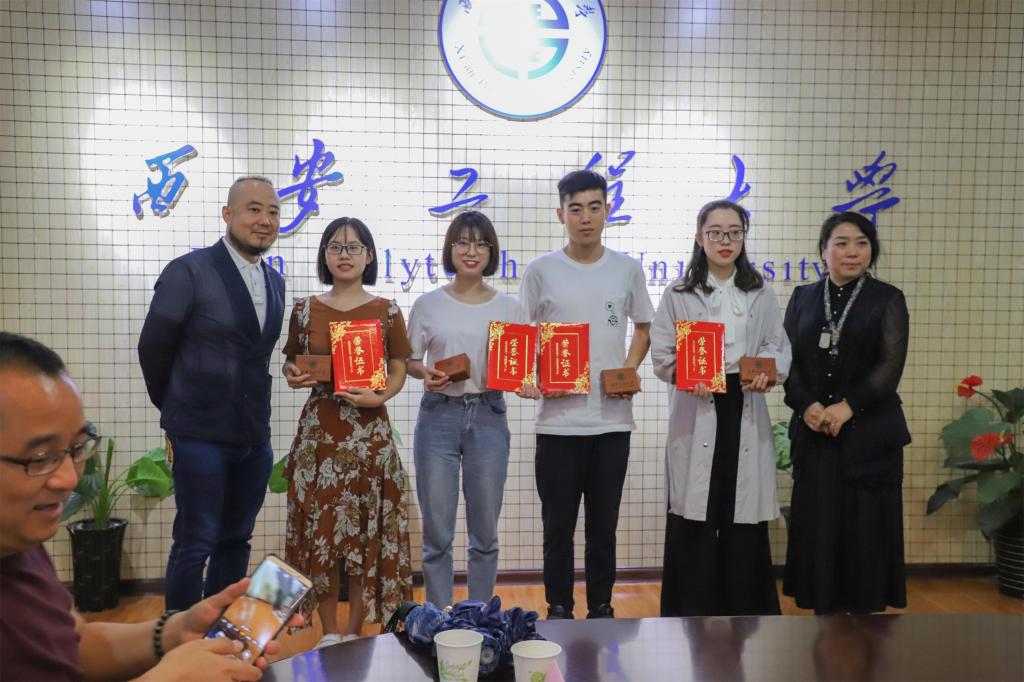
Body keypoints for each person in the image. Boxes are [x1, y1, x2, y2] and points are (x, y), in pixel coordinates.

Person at [0, 332, 300, 682]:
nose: (68, 479)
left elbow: (73, 643)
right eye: (40, 457)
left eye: (78, 447)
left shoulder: (19, 546)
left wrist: (177, 631)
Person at [138, 176, 286, 611]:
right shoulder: (189, 271)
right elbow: (152, 347)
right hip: (199, 434)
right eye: (254, 209)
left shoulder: (275, 282)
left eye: (273, 212)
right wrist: (176, 406)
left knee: (236, 538)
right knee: (195, 540)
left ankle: (220, 629)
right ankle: (180, 638)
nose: (264, 220)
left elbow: (256, 356)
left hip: (254, 435)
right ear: (228, 214)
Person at [519, 170, 654, 620]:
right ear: (561, 214)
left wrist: (628, 370)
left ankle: (601, 607)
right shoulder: (540, 271)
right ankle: (558, 607)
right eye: (575, 209)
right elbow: (520, 334)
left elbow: (644, 327)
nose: (585, 217)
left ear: (607, 211)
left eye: (594, 207)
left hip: (611, 422)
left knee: (604, 528)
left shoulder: (626, 269)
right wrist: (526, 377)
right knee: (557, 528)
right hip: (556, 424)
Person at [650, 199, 791, 617]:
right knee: (694, 515)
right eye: (715, 232)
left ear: (744, 237)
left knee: (741, 514)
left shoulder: (759, 291)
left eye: (734, 232)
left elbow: (777, 346)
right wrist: (683, 373)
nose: (725, 241)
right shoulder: (679, 292)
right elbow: (662, 354)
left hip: (743, 401)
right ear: (699, 237)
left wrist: (769, 372)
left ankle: (746, 615)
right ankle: (689, 613)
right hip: (697, 403)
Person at [281, 217, 413, 648]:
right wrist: (292, 374)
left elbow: (398, 368)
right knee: (320, 534)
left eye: (354, 247)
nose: (344, 254)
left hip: (369, 435)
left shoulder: (387, 310)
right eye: (335, 247)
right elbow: (291, 361)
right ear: (325, 255)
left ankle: (353, 632)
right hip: (319, 435)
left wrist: (381, 396)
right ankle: (328, 633)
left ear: (368, 256)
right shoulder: (304, 309)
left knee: (362, 535)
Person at [406, 211, 539, 608]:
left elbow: (519, 368)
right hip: (438, 416)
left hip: (488, 414)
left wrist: (526, 383)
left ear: (491, 252)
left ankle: (480, 617)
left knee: (485, 534)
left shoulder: (510, 308)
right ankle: (437, 618)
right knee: (437, 536)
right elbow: (410, 361)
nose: (471, 251)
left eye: (481, 244)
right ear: (450, 248)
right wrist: (424, 373)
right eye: (462, 242)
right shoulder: (428, 304)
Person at [782, 211, 910, 614]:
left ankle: (865, 623)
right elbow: (787, 362)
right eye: (841, 243)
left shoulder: (887, 298)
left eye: (862, 243)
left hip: (868, 435)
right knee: (818, 525)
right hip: (815, 433)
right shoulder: (803, 297)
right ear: (824, 251)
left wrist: (848, 406)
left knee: (864, 528)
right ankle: (823, 617)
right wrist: (805, 405)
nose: (852, 252)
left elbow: (890, 367)